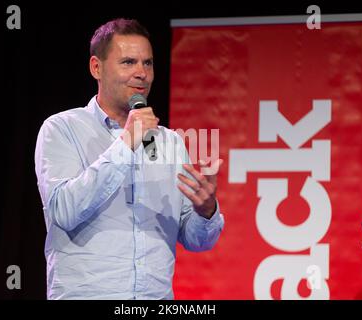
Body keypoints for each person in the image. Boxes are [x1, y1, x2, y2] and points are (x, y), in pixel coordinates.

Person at [34, 18, 225, 299]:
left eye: (147, 63)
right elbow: (64, 210)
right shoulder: (62, 128)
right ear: (96, 67)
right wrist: (126, 144)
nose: (141, 73)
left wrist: (205, 211)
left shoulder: (169, 142)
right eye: (128, 62)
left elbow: (197, 241)